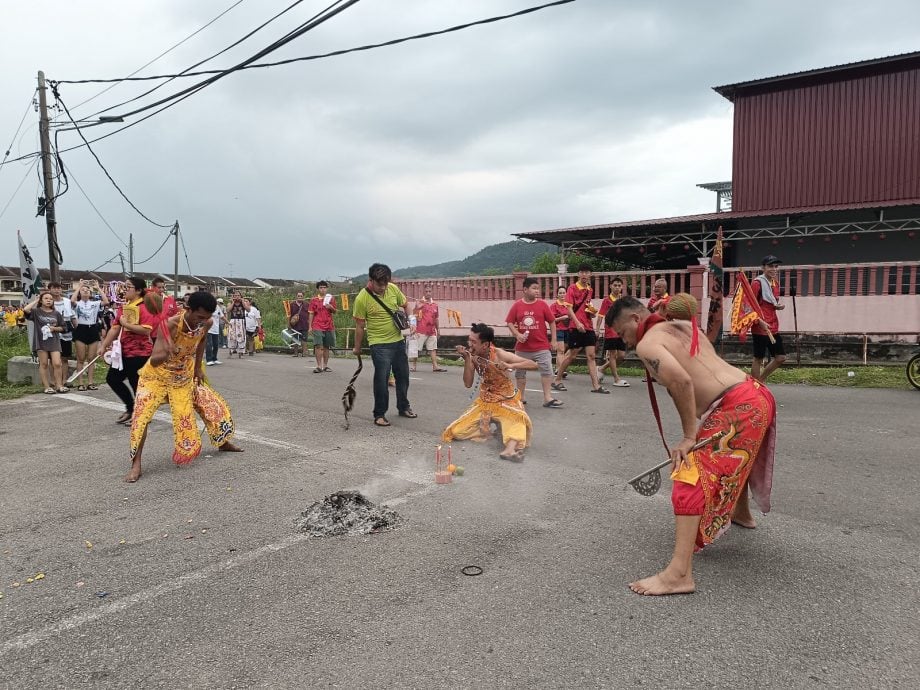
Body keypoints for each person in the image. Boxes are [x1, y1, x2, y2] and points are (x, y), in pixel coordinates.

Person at [607, 296, 776, 596]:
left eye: (622, 333)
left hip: (736, 405)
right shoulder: (683, 326)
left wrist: (688, 438)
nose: (625, 342)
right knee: (735, 456)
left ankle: (679, 574)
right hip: (756, 393)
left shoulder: (648, 344)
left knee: (688, 471)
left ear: (635, 319)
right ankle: (741, 513)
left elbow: (682, 383)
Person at [127, 291, 241, 483]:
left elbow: (202, 340)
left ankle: (223, 442)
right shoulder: (170, 325)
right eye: (199, 317)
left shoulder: (207, 323)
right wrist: (167, 352)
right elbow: (154, 361)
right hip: (156, 377)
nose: (202, 321)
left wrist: (197, 368)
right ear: (188, 310)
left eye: (206, 318)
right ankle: (136, 463)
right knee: (142, 416)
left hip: (183, 374)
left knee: (208, 403)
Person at [442, 323, 538, 461]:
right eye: (470, 340)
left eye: (474, 342)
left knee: (518, 421)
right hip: (486, 401)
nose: (470, 344)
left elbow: (533, 364)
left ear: (485, 345)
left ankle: (509, 451)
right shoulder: (473, 356)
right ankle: (493, 431)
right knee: (455, 432)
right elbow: (468, 383)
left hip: (506, 400)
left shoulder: (499, 354)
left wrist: (511, 365)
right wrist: (467, 359)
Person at [352, 262, 416, 427]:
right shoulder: (362, 298)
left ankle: (404, 407)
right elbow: (359, 326)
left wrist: (412, 320)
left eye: (385, 284)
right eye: (380, 285)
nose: (383, 288)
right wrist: (357, 347)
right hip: (379, 344)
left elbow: (406, 305)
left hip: (398, 341)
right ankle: (379, 414)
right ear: (371, 280)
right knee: (381, 379)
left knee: (403, 377)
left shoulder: (393, 289)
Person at [100, 277, 156, 425]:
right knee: (112, 379)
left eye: (129, 287)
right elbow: (115, 327)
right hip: (123, 351)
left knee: (136, 383)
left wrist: (126, 324)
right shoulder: (124, 307)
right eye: (125, 287)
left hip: (140, 353)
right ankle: (130, 408)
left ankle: (141, 415)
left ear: (138, 290)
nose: (125, 290)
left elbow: (145, 330)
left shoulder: (144, 307)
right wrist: (104, 345)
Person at [505, 277, 561, 407]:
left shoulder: (542, 304)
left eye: (538, 288)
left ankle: (547, 398)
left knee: (547, 370)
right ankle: (520, 397)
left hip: (541, 346)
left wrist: (553, 340)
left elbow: (552, 321)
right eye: (534, 288)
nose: (537, 291)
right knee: (520, 372)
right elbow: (509, 322)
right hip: (522, 348)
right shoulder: (517, 305)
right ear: (525, 289)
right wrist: (517, 334)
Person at [551, 264, 608, 394]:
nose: (584, 275)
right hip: (576, 326)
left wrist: (591, 312)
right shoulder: (572, 288)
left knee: (591, 356)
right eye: (582, 272)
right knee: (572, 355)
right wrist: (577, 323)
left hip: (588, 326)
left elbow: (587, 306)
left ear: (590, 275)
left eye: (587, 272)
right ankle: (557, 380)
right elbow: (569, 308)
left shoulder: (589, 289)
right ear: (578, 274)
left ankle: (596, 386)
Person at [22, 291, 67, 393]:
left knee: (57, 363)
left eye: (51, 299)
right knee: (43, 364)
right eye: (46, 298)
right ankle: (47, 387)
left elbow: (64, 328)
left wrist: (54, 329)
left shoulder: (56, 313)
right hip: (41, 342)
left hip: (54, 341)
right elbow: (26, 310)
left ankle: (59, 385)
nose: (49, 300)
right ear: (41, 300)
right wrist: (36, 300)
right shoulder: (36, 312)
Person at [751, 255, 787, 382]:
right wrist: (759, 322)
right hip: (760, 326)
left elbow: (768, 303)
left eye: (776, 266)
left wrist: (777, 307)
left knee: (780, 357)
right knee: (758, 358)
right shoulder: (756, 283)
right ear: (763, 268)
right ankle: (754, 388)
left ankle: (759, 382)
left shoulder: (775, 283)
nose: (774, 269)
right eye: (770, 266)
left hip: (773, 326)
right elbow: (748, 306)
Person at [70, 279, 110, 391]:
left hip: (92, 328)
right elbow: (72, 301)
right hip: (81, 329)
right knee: (80, 358)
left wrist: (98, 288)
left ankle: (91, 382)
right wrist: (79, 286)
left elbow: (106, 302)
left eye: (87, 290)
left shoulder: (95, 303)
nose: (85, 291)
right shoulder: (77, 303)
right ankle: (80, 383)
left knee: (91, 359)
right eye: (83, 290)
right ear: (80, 293)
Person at [596, 277, 629, 387]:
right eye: (615, 285)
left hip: (621, 331)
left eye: (619, 285)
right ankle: (616, 379)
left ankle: (602, 368)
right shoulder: (606, 300)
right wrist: (597, 329)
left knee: (622, 356)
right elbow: (600, 315)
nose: (617, 287)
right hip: (610, 331)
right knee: (612, 355)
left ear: (622, 287)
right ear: (610, 286)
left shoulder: (623, 300)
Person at [413, 284, 447, 373]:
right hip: (421, 330)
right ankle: (413, 366)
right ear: (424, 292)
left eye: (429, 291)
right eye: (426, 291)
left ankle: (435, 366)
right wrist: (417, 307)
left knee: (432, 348)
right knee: (417, 348)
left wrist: (438, 329)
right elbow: (414, 315)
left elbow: (436, 318)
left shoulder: (435, 305)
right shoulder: (420, 303)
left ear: (432, 292)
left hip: (431, 330)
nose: (428, 293)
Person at [308, 281, 336, 372]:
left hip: (329, 325)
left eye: (324, 287)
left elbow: (335, 311)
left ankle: (325, 365)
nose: (323, 289)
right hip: (317, 325)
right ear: (318, 289)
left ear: (327, 288)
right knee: (318, 346)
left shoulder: (331, 298)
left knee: (327, 346)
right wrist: (310, 327)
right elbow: (311, 314)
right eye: (321, 287)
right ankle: (319, 366)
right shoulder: (314, 300)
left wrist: (330, 307)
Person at [48, 281, 76, 375]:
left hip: (66, 330)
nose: (57, 290)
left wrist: (77, 329)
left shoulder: (67, 301)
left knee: (65, 358)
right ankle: (54, 381)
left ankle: (64, 380)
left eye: (58, 288)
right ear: (50, 289)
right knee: (52, 359)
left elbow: (72, 316)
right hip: (52, 330)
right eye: (54, 288)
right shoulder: (48, 302)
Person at [550, 285, 570, 373]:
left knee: (566, 350)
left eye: (564, 293)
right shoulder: (554, 306)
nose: (562, 295)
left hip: (569, 330)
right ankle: (561, 370)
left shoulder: (569, 305)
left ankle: (558, 369)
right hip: (558, 330)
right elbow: (551, 320)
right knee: (561, 350)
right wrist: (562, 318)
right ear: (557, 295)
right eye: (560, 293)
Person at [288, 291, 310, 357]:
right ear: (296, 297)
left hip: (304, 324)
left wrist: (310, 323)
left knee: (304, 339)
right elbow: (288, 315)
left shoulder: (307, 304)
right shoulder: (292, 304)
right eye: (298, 296)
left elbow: (310, 314)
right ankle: (295, 353)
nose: (300, 297)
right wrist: (289, 324)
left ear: (303, 297)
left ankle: (304, 353)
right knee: (295, 339)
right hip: (295, 325)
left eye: (301, 296)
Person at [226, 291, 247, 358]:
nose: (237, 297)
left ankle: (241, 353)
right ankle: (230, 353)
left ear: (240, 296)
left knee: (241, 337)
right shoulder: (231, 303)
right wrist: (233, 302)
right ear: (233, 296)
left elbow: (248, 309)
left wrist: (243, 301)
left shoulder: (243, 303)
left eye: (238, 295)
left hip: (241, 321)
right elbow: (228, 310)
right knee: (232, 336)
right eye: (235, 295)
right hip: (233, 321)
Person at [205, 297, 225, 366]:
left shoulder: (218, 307)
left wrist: (228, 322)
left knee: (216, 345)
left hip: (216, 329)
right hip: (208, 329)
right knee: (209, 344)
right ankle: (209, 359)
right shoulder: (207, 307)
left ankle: (214, 358)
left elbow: (222, 316)